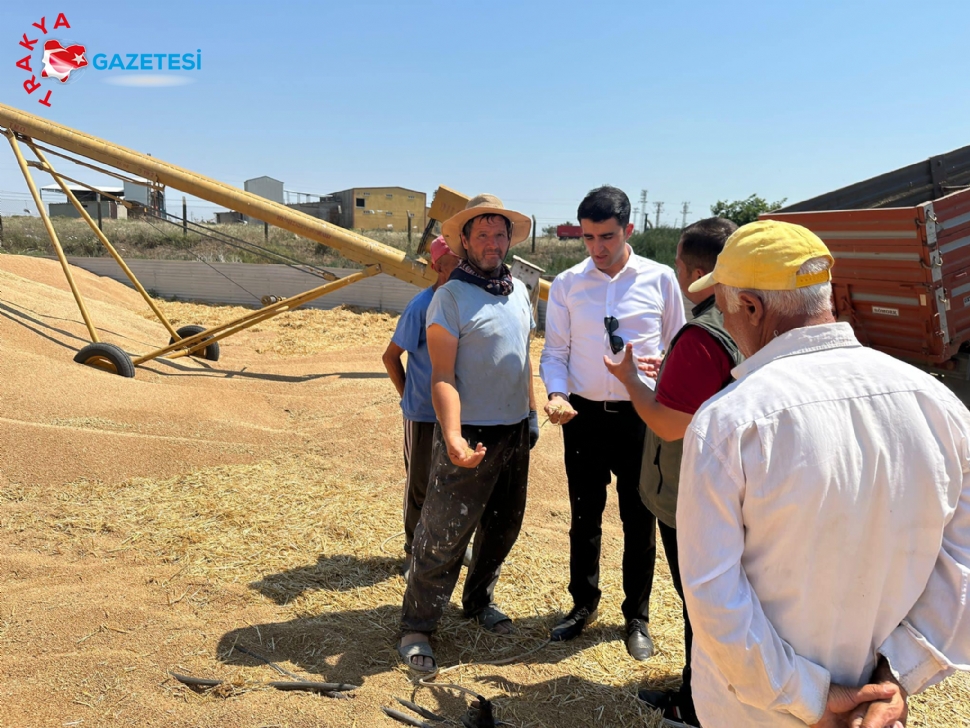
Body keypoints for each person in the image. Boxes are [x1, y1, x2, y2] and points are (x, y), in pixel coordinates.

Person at [676, 219, 970, 727]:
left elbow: (713, 597)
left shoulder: (730, 422)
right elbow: (961, 563)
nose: (727, 324)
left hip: (755, 712)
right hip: (874, 712)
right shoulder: (938, 404)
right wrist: (893, 678)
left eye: (725, 310)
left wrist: (811, 696)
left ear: (751, 307)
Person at [603, 217, 741, 726]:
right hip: (736, 492)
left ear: (696, 271)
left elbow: (668, 423)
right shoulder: (749, 320)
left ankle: (696, 702)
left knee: (698, 602)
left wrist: (630, 381)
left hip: (694, 494)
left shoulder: (702, 334)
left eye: (681, 264)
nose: (677, 272)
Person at [539, 185, 686, 661]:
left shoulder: (661, 280)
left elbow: (678, 350)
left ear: (629, 230)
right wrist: (557, 393)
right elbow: (555, 352)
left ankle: (636, 616)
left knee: (638, 520)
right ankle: (582, 606)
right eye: (588, 238)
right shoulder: (566, 285)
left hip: (639, 418)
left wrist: (660, 368)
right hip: (581, 416)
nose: (597, 248)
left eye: (607, 236)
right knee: (584, 517)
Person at [398, 194, 540, 675]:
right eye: (482, 235)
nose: (492, 243)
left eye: (500, 234)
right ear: (464, 241)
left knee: (503, 526)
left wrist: (533, 413)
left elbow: (524, 360)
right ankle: (417, 625)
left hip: (514, 431)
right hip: (471, 432)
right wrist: (454, 437)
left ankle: (478, 601)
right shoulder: (450, 297)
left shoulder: (518, 292)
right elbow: (442, 376)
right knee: (443, 533)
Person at [382, 236, 459, 573]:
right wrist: (408, 397)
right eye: (450, 264)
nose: (456, 270)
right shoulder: (420, 306)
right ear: (435, 266)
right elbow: (390, 357)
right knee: (420, 484)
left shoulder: (464, 304)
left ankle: (445, 548)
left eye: (461, 262)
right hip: (424, 415)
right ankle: (413, 549)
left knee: (452, 483)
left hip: (457, 415)